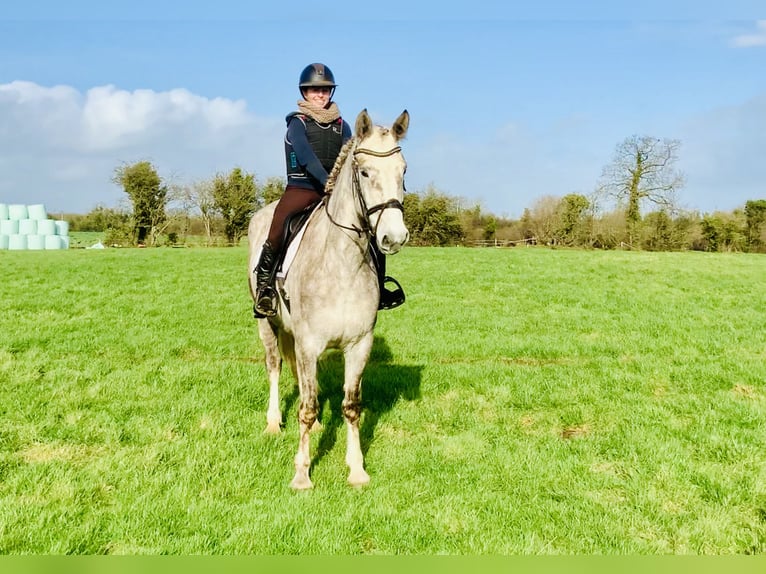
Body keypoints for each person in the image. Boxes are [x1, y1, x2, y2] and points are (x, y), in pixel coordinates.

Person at [253, 62, 405, 317]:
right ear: (305, 92)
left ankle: (379, 285)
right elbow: (306, 158)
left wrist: (342, 189)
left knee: (370, 229)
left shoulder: (343, 126)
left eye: (324, 90)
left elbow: (350, 160)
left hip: (335, 192)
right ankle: (265, 286)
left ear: (331, 93)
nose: (320, 94)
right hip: (302, 188)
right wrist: (328, 184)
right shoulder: (297, 124)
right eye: (314, 90)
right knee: (280, 220)